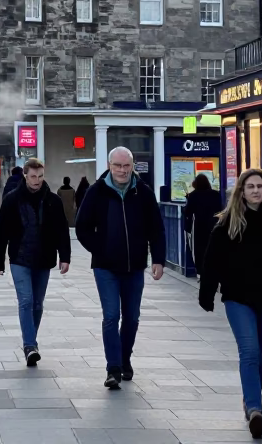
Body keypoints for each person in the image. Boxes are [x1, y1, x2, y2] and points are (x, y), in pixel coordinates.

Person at [199, 169, 262, 439]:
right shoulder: (227, 224)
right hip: (238, 298)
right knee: (250, 351)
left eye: (261, 186)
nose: (256, 191)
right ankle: (256, 410)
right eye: (251, 186)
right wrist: (206, 293)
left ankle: (249, 400)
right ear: (241, 192)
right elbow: (212, 260)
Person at [75, 146, 166, 390]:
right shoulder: (97, 192)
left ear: (132, 166)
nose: (122, 170)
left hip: (134, 266)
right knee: (111, 316)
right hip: (105, 267)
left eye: (126, 166)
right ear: (109, 166)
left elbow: (156, 228)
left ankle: (125, 359)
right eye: (117, 165)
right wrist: (99, 248)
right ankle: (113, 368)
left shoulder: (143, 192)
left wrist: (158, 259)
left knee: (132, 317)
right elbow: (82, 226)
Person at [0, 159, 71, 367]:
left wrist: (65, 257)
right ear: (25, 176)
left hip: (44, 258)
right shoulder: (12, 200)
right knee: (26, 301)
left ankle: (31, 342)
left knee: (37, 304)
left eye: (40, 176)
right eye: (33, 176)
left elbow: (62, 230)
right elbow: (1, 232)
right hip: (20, 258)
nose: (37, 180)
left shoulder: (53, 201)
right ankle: (29, 345)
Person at [182, 173, 222, 278]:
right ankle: (213, 270)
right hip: (214, 224)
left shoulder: (193, 195)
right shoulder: (215, 194)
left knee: (199, 250)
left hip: (199, 226)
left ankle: (201, 271)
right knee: (213, 247)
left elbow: (187, 211)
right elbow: (220, 209)